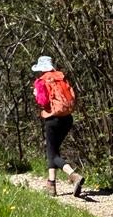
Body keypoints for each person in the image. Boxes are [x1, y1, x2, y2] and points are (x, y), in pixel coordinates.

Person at [31, 55, 84, 197]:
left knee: (52, 153)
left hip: (52, 119)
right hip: (67, 118)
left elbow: (42, 102)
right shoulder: (61, 77)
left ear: (41, 69)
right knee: (53, 151)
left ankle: (73, 176)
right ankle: (51, 185)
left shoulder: (41, 81)